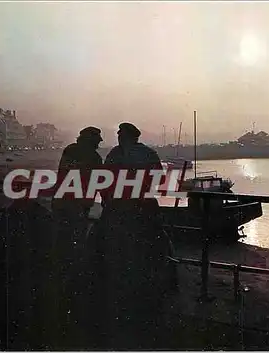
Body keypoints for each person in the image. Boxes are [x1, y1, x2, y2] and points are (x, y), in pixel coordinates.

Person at [94, 122, 176, 348]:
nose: (118, 136)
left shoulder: (113, 154)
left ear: (125, 136)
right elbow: (159, 181)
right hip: (142, 208)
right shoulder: (148, 153)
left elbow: (103, 182)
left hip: (118, 210)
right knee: (152, 248)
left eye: (120, 134)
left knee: (111, 250)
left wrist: (109, 202)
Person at [50, 126, 103, 348]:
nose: (99, 142)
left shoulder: (70, 150)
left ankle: (61, 278)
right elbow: (98, 182)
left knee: (61, 240)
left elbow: (63, 174)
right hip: (77, 205)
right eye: (97, 140)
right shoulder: (94, 157)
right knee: (76, 241)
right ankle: (72, 283)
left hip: (61, 201)